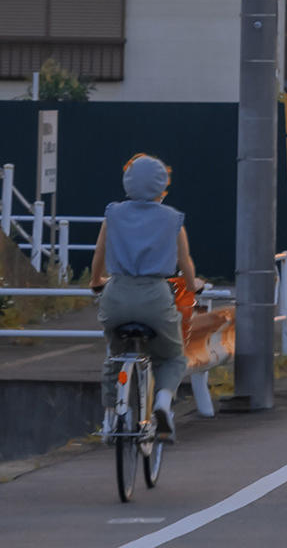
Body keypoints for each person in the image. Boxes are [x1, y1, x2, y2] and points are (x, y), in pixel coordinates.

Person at [91, 154, 200, 437]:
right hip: (155, 297)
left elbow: (99, 253)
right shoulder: (173, 219)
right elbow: (184, 261)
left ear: (127, 183)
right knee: (172, 357)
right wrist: (193, 285)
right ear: (162, 188)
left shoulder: (113, 214)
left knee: (115, 356)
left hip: (117, 294)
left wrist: (95, 281)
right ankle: (163, 403)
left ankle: (110, 419)